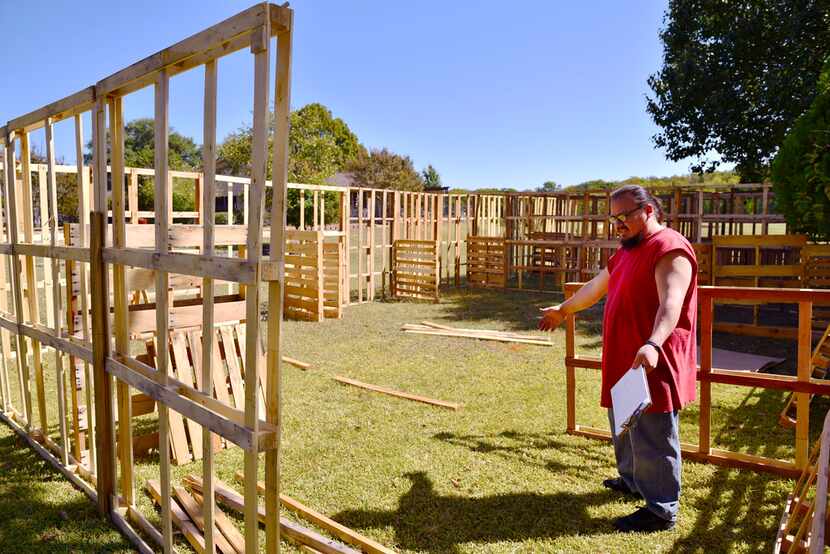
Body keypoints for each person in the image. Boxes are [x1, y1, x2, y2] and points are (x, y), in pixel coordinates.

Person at [538, 184, 697, 533]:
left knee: (654, 431)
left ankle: (661, 509)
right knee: (624, 423)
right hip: (624, 357)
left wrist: (654, 344)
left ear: (649, 211)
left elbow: (672, 303)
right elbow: (596, 287)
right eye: (614, 218)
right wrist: (563, 311)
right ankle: (632, 480)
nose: (618, 224)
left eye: (625, 216)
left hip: (653, 358)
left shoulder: (670, 249)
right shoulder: (626, 251)